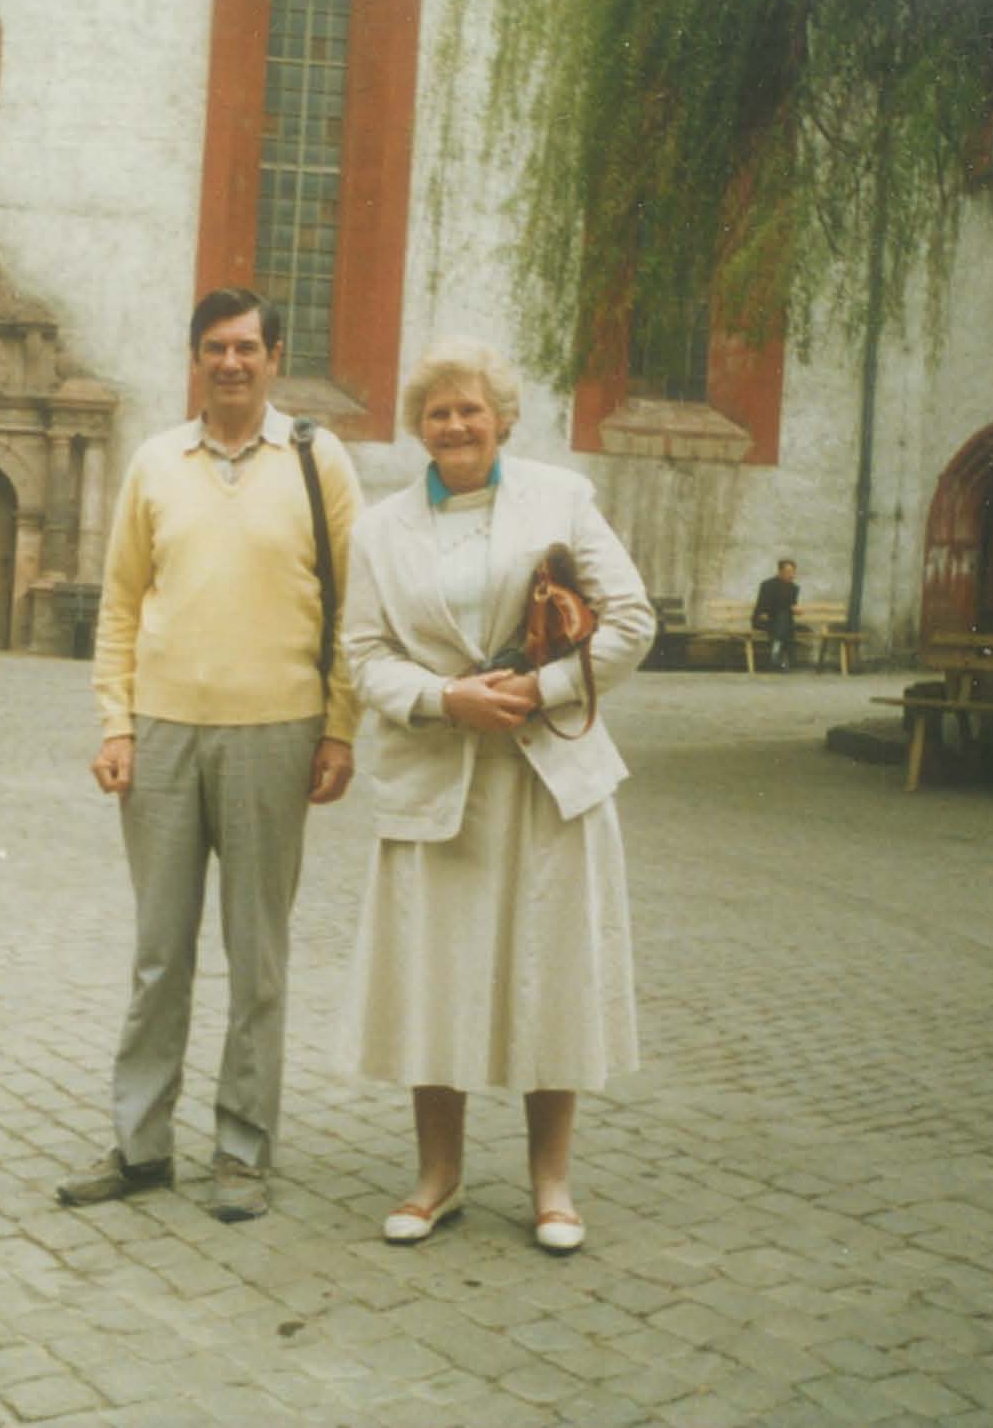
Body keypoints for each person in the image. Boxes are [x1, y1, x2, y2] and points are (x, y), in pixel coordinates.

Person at [334, 341, 654, 1254]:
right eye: (437, 412)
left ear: (502, 419)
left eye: (470, 409)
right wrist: (444, 699)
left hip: (548, 774)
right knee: (434, 974)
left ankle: (550, 1182)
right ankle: (437, 1176)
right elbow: (362, 654)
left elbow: (631, 620)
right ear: (418, 426)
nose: (454, 425)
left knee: (548, 969)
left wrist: (538, 690)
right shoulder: (381, 529)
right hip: (440, 776)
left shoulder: (562, 499)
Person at [57, 285, 363, 1223]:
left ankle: (241, 1149)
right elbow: (117, 607)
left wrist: (339, 726)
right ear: (195, 360)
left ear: (275, 355)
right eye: (213, 349)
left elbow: (356, 608)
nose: (229, 363)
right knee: (159, 954)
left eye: (245, 347)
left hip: (276, 733)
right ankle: (142, 1146)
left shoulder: (320, 461)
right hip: (163, 736)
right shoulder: (155, 464)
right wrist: (116, 722)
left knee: (256, 955)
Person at [752, 559, 802, 672]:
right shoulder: (767, 585)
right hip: (765, 619)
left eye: (793, 572)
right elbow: (763, 605)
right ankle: (783, 660)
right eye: (788, 572)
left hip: (781, 623)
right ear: (780, 572)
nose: (791, 575)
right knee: (784, 622)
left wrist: (795, 610)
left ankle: (776, 657)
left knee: (784, 620)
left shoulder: (794, 588)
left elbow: (791, 606)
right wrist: (788, 609)